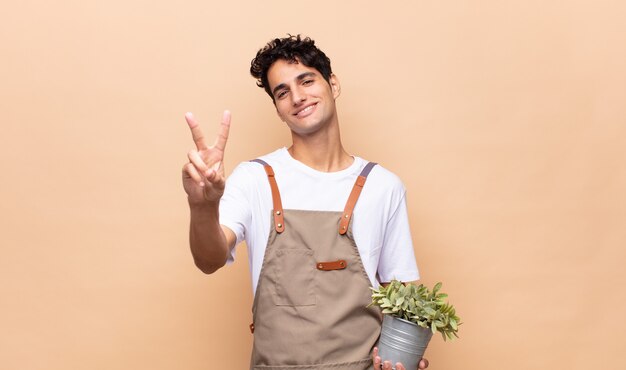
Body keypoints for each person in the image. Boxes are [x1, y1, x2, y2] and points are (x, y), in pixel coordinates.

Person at [182, 35, 429, 370]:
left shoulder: (383, 186)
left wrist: (406, 356)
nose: (297, 97)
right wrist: (202, 206)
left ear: (333, 84)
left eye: (306, 80)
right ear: (278, 109)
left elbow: (406, 298)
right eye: (282, 92)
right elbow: (208, 260)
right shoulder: (254, 178)